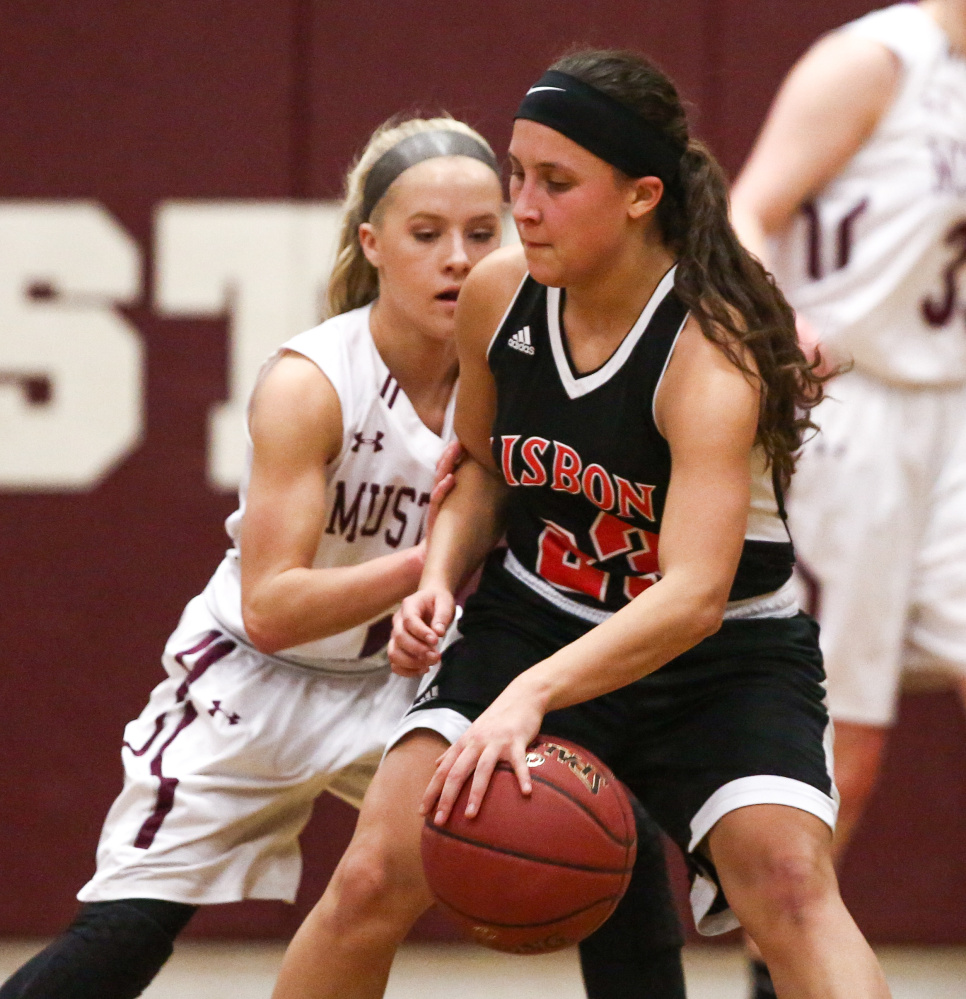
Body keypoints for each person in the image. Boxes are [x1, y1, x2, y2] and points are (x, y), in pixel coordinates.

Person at [270, 50, 893, 999]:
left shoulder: (710, 351)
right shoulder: (498, 295)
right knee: (369, 877)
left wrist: (531, 694)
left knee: (794, 890)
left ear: (643, 196)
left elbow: (690, 598)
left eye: (556, 183)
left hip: (719, 657)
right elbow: (480, 466)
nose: (522, 205)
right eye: (518, 174)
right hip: (536, 614)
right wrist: (439, 576)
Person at [0, 114, 501, 999]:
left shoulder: (509, 372)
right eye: (428, 235)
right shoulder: (311, 383)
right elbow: (274, 604)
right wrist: (425, 569)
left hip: (396, 688)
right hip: (253, 679)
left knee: (598, 842)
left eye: (481, 234)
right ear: (373, 243)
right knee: (125, 938)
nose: (457, 258)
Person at [731, 3, 966, 994]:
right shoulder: (872, 60)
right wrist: (785, 329)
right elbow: (746, 213)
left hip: (951, 408)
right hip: (850, 410)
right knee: (839, 760)